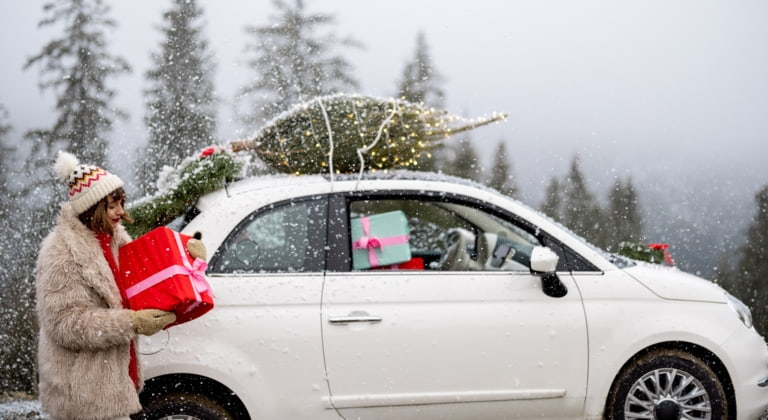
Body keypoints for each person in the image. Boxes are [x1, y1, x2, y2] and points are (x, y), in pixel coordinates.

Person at [35, 151, 205, 420]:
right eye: (112, 206)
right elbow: (66, 324)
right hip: (82, 389)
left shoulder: (113, 237)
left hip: (112, 381)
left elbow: (145, 274)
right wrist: (131, 323)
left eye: (121, 203)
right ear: (91, 208)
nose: (121, 212)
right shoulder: (60, 252)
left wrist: (186, 255)